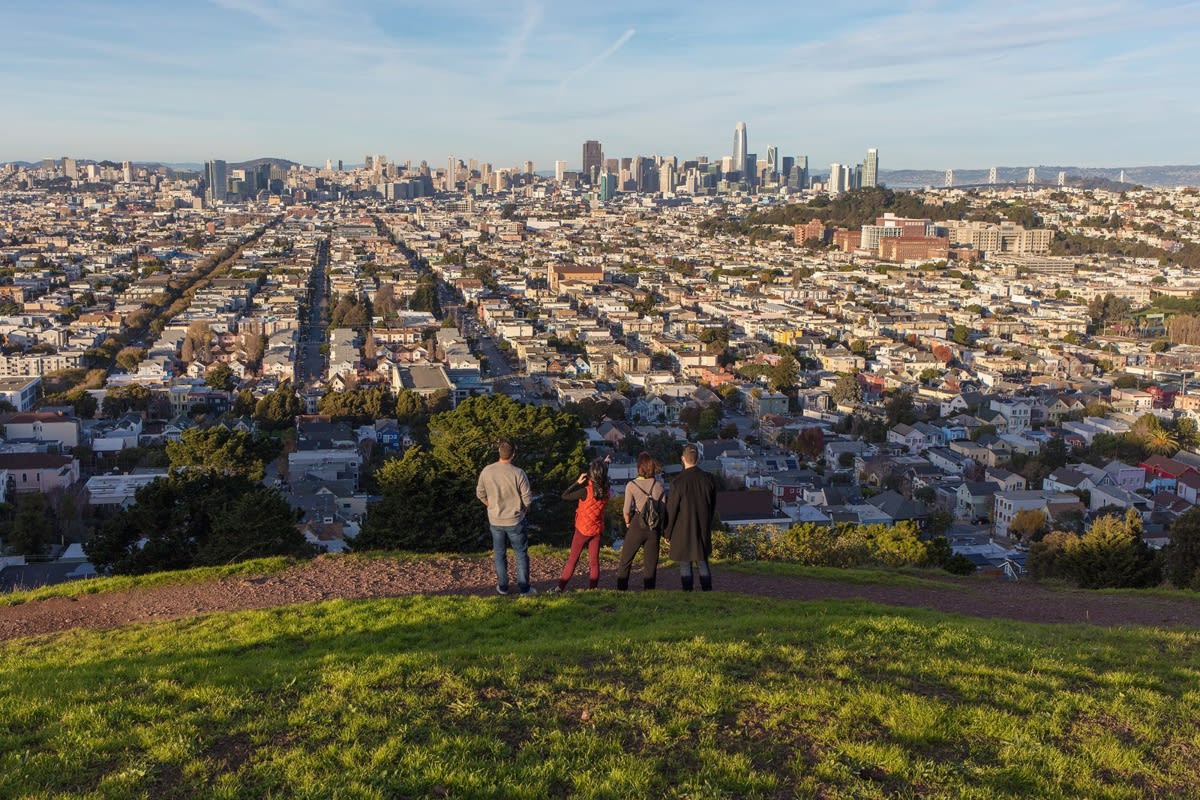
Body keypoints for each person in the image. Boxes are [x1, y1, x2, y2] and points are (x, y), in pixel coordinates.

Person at [476, 440, 537, 596]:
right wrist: (524, 510)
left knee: (499, 553)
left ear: (498, 451)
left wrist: (489, 504)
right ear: (514, 454)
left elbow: (480, 493)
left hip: (495, 519)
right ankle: (524, 588)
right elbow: (527, 498)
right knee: (521, 553)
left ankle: (503, 587)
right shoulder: (518, 473)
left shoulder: (487, 471)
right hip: (515, 519)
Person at [664, 444, 718, 591]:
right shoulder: (709, 479)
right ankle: (707, 591)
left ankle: (687, 592)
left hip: (682, 528)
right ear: (698, 459)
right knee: (702, 561)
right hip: (702, 526)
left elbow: (672, 510)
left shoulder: (677, 483)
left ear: (683, 459)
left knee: (685, 562)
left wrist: (667, 533)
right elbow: (712, 505)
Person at [555, 458, 610, 592]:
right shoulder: (606, 492)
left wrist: (577, 482)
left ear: (590, 475)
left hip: (582, 530)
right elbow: (602, 475)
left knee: (573, 560)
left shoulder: (585, 491)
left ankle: (559, 588)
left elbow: (565, 495)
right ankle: (592, 590)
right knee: (594, 562)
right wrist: (606, 463)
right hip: (596, 530)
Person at [617, 451, 666, 591]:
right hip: (653, 527)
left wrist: (628, 522)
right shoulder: (659, 485)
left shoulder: (631, 485)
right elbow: (663, 511)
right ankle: (649, 592)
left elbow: (626, 510)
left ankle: (621, 590)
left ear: (639, 467)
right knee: (650, 564)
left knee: (626, 560)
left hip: (637, 524)